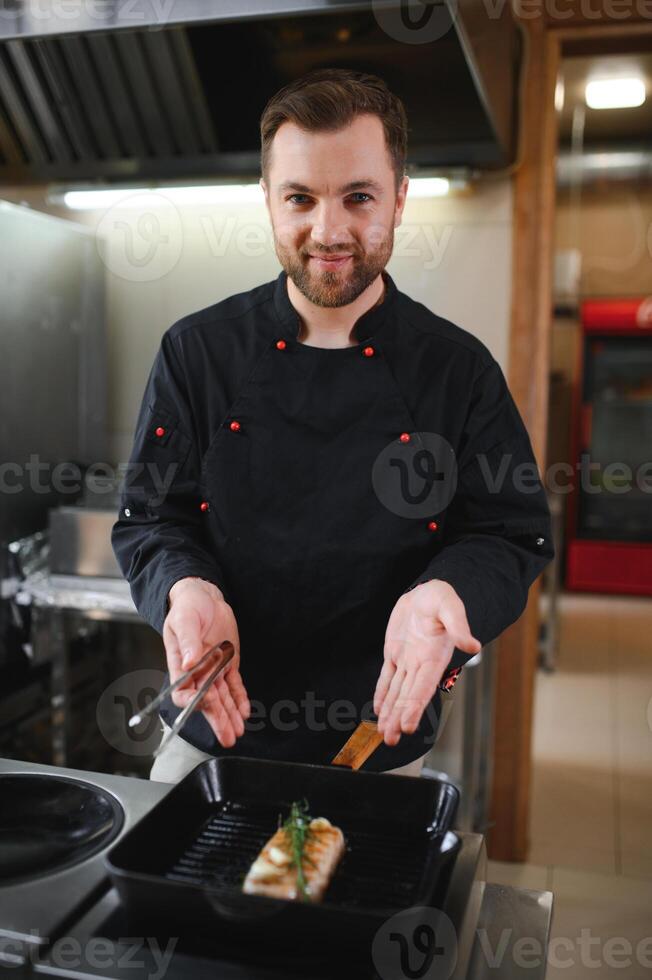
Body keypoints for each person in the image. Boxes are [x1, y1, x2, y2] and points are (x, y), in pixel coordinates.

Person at [112, 68, 553, 784]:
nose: (329, 230)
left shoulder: (458, 370)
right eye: (300, 199)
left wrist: (448, 592)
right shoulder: (197, 353)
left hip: (378, 742)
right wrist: (184, 586)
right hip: (212, 735)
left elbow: (510, 531)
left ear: (399, 200)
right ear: (268, 201)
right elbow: (149, 519)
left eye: (358, 197)